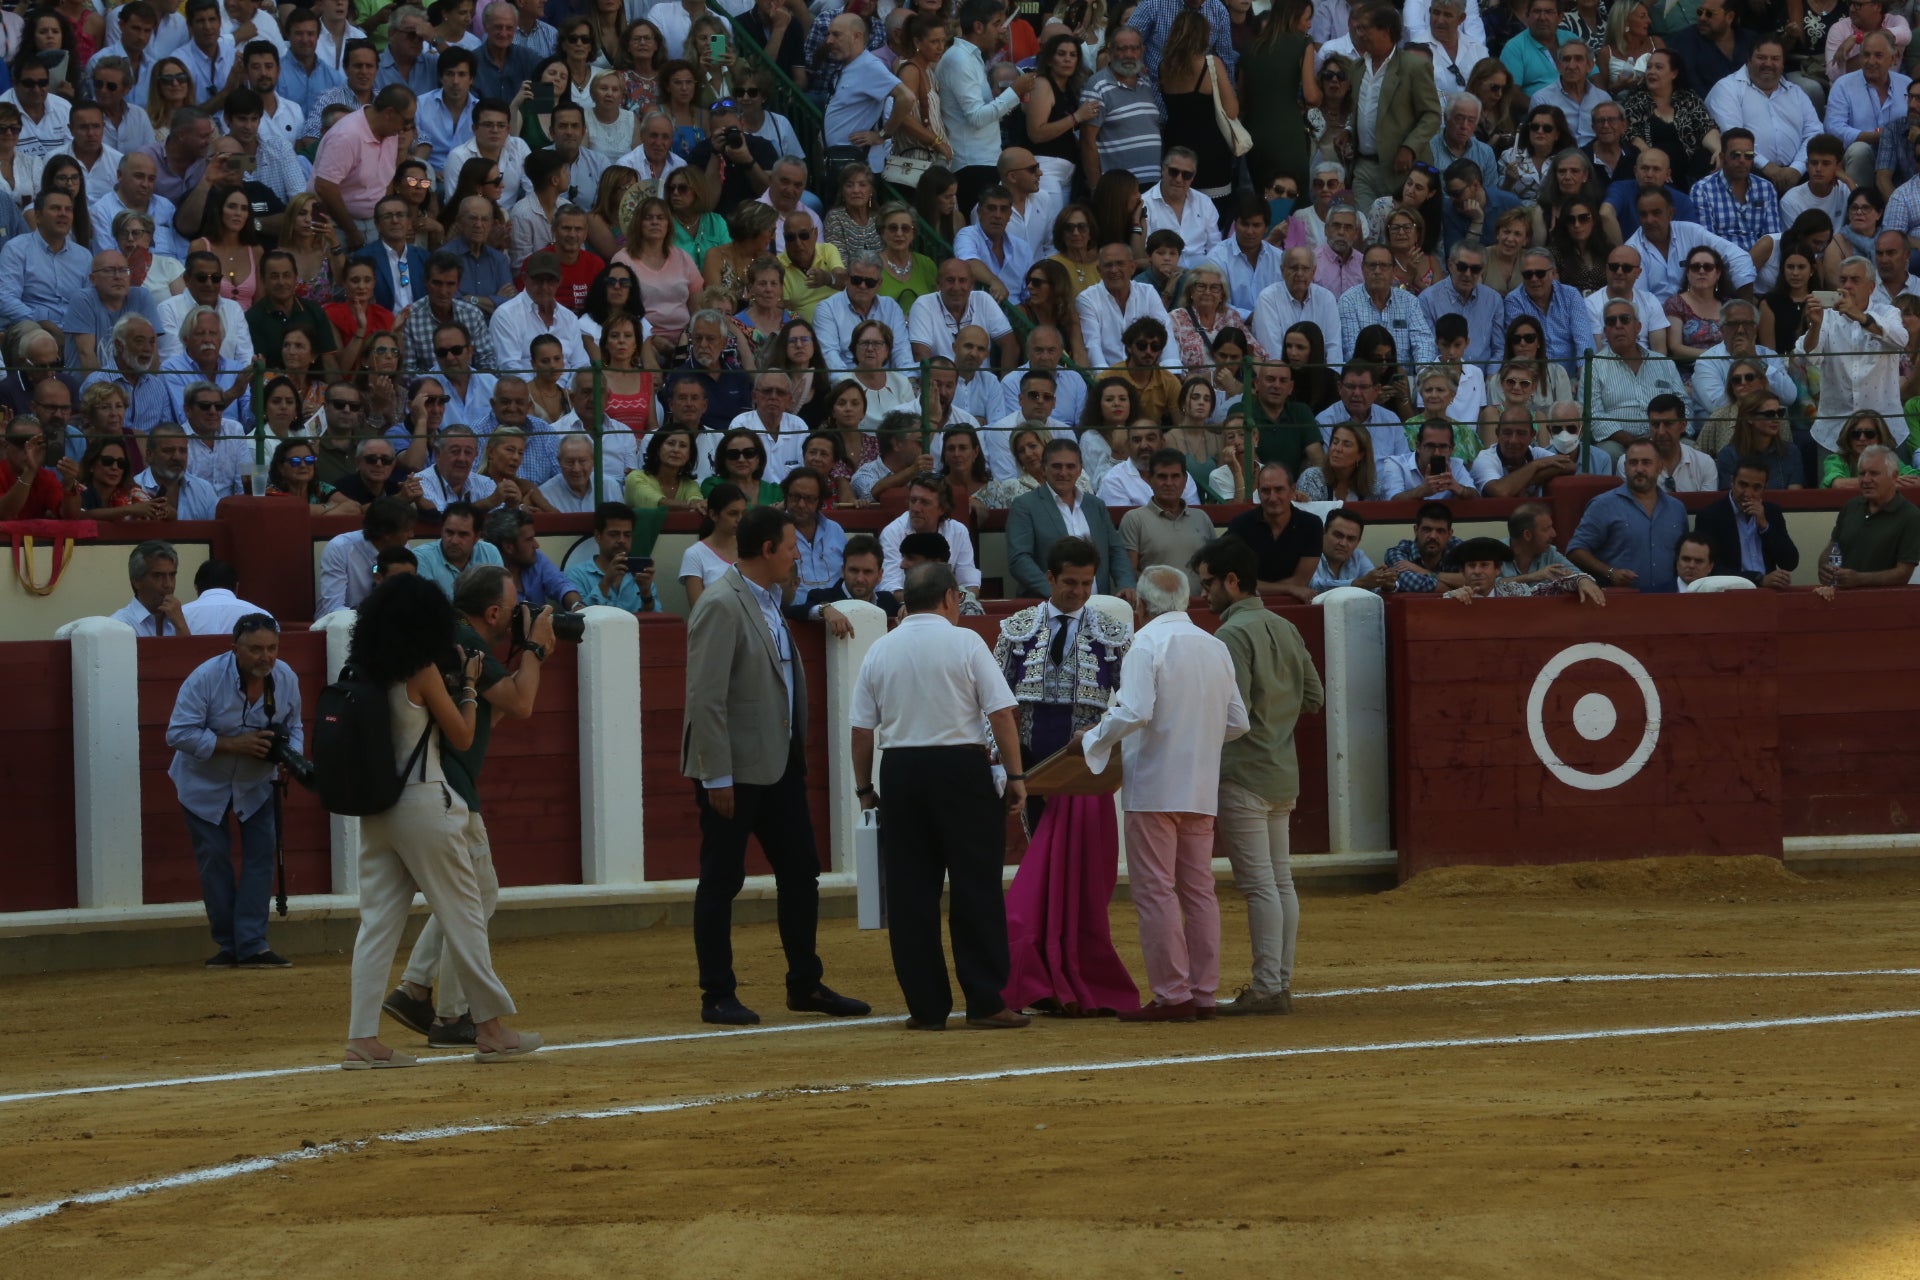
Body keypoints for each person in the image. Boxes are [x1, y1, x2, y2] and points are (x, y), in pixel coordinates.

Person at [682, 505, 871, 1027]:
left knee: (801, 872)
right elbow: (705, 697)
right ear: (767, 549)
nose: (797, 556)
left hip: (779, 762)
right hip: (734, 771)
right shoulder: (722, 602)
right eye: (791, 547)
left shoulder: (768, 598)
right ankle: (716, 993)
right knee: (720, 880)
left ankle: (804, 984)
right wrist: (714, 773)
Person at [342, 572, 539, 1069]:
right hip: (425, 803)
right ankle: (491, 1030)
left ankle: (362, 1040)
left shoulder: (361, 668)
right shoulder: (421, 669)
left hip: (378, 808)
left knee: (378, 925)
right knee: (465, 914)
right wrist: (470, 686)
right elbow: (464, 736)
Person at [847, 560, 1027, 1030]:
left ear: (908, 599)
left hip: (902, 771)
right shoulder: (965, 641)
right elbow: (1003, 714)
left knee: (911, 893)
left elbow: (862, 731)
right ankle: (986, 1001)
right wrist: (1016, 776)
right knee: (976, 888)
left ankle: (926, 1008)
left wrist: (865, 789)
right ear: (950, 597)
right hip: (960, 771)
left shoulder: (881, 648)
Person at [1067, 563, 1247, 1022]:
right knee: (1199, 890)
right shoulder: (1214, 645)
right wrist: (1196, 738)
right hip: (1201, 786)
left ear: (1141, 606)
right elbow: (1237, 722)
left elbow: (1135, 710)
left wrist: (1092, 738)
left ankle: (1173, 994)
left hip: (1154, 788)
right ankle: (1203, 993)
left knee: (1156, 892)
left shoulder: (1145, 642)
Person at [991, 536, 1138, 1018]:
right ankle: (1044, 980)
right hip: (1031, 772)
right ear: (1049, 579)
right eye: (1069, 583)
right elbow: (994, 703)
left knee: (1076, 881)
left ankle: (1067, 976)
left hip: (1084, 777)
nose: (1078, 591)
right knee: (1043, 874)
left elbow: (1135, 703)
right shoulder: (1015, 629)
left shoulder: (1113, 633)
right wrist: (1003, 768)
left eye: (1086, 583)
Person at [1186, 535, 1324, 1016]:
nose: (1204, 593)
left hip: (1243, 774)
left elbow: (1233, 712)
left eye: (1208, 583)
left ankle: (1268, 987)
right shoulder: (1284, 626)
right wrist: (1276, 720)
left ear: (1231, 580)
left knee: (1261, 886)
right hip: (1282, 771)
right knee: (1280, 882)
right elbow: (1314, 697)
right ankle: (1277, 982)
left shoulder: (1230, 637)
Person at [164, 612, 300, 970]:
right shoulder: (206, 677)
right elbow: (177, 733)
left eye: (272, 648)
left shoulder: (285, 678)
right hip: (203, 784)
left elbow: (294, 727)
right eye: (256, 649)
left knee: (260, 859)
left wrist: (290, 758)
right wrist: (233, 744)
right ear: (235, 649)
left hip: (257, 783)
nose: (265, 657)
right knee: (214, 860)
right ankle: (229, 944)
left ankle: (252, 945)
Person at [1798, 254, 1906, 453]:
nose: (1847, 286)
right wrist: (1815, 325)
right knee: (1835, 484)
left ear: (1871, 287)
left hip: (1884, 432)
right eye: (1843, 280)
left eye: (1854, 280)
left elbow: (1902, 340)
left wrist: (1861, 318)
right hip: (1833, 433)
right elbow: (1809, 354)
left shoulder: (1888, 312)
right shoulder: (1827, 317)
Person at [1006, 437, 1133, 597]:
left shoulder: (1096, 505)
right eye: (1056, 466)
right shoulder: (1025, 505)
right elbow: (1019, 560)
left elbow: (1116, 550)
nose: (1063, 473)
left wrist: (1126, 584)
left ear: (1080, 470)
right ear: (1044, 469)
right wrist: (1054, 593)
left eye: (1070, 466)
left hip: (1098, 605)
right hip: (1046, 605)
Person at [1569, 438, 1690, 592]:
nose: (1639, 469)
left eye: (1646, 462)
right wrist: (1610, 572)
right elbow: (1575, 551)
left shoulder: (1677, 509)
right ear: (1625, 467)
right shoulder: (1603, 505)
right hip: (1619, 603)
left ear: (1660, 467)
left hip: (1668, 601)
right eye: (1633, 463)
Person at [1819, 444, 1920, 590]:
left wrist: (1859, 579)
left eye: (1874, 473)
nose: (1866, 480)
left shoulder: (1911, 516)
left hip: (1884, 605)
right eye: (1862, 473)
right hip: (1841, 600)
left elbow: (1903, 573)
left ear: (1894, 476)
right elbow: (1834, 546)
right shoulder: (1851, 506)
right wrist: (1825, 567)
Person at [1693, 457, 1800, 587]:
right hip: (1728, 593)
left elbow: (1790, 562)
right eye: (1743, 485)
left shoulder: (1771, 512)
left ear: (1764, 489)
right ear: (1732, 482)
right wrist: (1758, 579)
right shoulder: (1711, 515)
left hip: (1768, 594)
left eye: (1756, 488)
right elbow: (1709, 568)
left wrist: (1765, 526)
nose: (1748, 493)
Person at [1223, 462, 1321, 601]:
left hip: (1292, 605)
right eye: (1265, 491)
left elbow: (1300, 582)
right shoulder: (1240, 525)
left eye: (1279, 489)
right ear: (1258, 492)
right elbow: (1236, 582)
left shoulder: (1311, 525)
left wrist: (1256, 587)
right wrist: (1289, 588)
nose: (1272, 497)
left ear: (1292, 490)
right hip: (1247, 607)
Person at [317, 496, 417, 616]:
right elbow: (332, 608)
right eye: (407, 530)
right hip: (341, 625)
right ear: (387, 533)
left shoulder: (402, 547)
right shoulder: (340, 548)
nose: (412, 535)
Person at [1444, 535, 1608, 602]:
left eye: (1484, 565)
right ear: (1462, 571)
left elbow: (1552, 588)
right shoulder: (1452, 599)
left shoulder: (1515, 592)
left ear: (1497, 569)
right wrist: (1451, 601)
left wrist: (1581, 580)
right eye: (1471, 566)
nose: (1478, 571)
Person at [785, 532, 898, 629]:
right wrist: (824, 610)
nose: (859, 578)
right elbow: (789, 612)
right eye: (854, 570)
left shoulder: (888, 601)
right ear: (843, 571)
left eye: (867, 572)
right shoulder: (821, 598)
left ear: (880, 575)